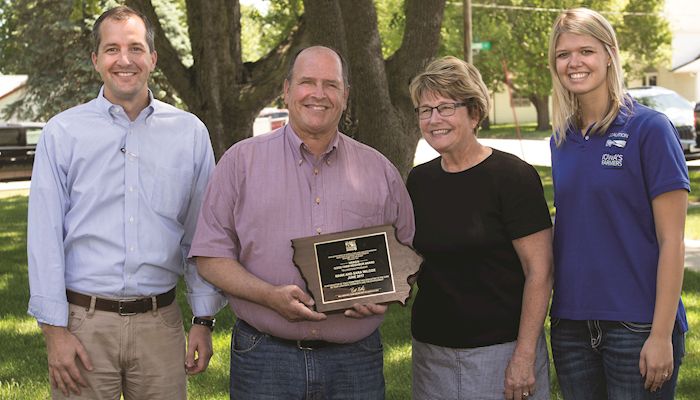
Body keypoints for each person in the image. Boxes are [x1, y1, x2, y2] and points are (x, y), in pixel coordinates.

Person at [189, 45, 415, 399]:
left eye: (331, 84)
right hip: (264, 358)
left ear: (345, 95)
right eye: (307, 82)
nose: (319, 94)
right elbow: (209, 257)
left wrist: (385, 294)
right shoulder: (240, 163)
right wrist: (268, 296)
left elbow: (405, 257)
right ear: (287, 89)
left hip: (354, 363)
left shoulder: (379, 171)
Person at [27, 6, 226, 399]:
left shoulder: (189, 133)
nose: (125, 59)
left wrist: (203, 319)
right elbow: (44, 237)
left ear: (152, 58)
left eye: (136, 48)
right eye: (112, 48)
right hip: (83, 326)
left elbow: (201, 233)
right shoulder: (63, 132)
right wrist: (54, 332)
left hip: (160, 325)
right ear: (96, 60)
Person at [547, 8, 689, 399]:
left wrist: (660, 334)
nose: (574, 62)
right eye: (563, 54)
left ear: (610, 54)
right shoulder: (560, 140)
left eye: (586, 51)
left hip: (638, 324)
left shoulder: (650, 129)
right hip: (571, 325)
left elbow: (672, 241)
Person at [406, 56, 553, 400]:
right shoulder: (419, 180)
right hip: (431, 354)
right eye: (425, 110)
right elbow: (413, 260)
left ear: (474, 112)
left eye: (445, 107)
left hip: (500, 353)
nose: (433, 119)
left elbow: (540, 272)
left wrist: (524, 355)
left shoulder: (513, 178)